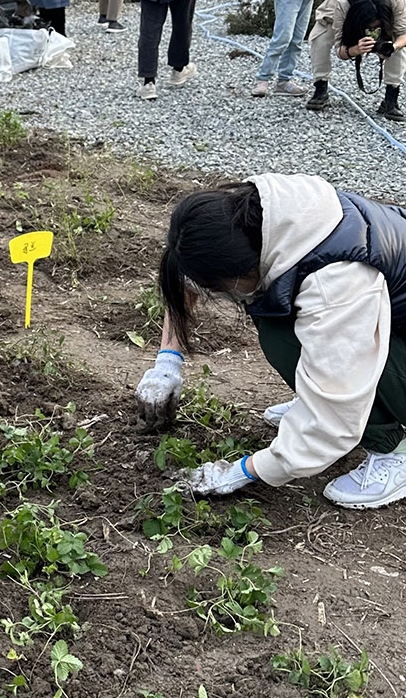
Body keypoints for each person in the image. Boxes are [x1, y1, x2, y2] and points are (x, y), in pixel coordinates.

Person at [136, 172, 406, 510]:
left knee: (288, 341)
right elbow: (188, 277)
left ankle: (393, 452)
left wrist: (243, 470)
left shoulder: (336, 282)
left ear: (240, 271)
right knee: (279, 324)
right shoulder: (259, 215)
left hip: (371, 321)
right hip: (387, 321)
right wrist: (167, 361)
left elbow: (334, 418)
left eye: (220, 289)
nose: (219, 296)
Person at [306, 0, 406, 121]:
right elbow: (339, 47)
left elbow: (403, 35)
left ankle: (391, 99)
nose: (372, 30)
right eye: (368, 28)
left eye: (375, 27)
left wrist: (392, 47)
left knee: (398, 45)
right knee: (320, 35)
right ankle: (320, 88)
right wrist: (354, 49)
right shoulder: (343, 3)